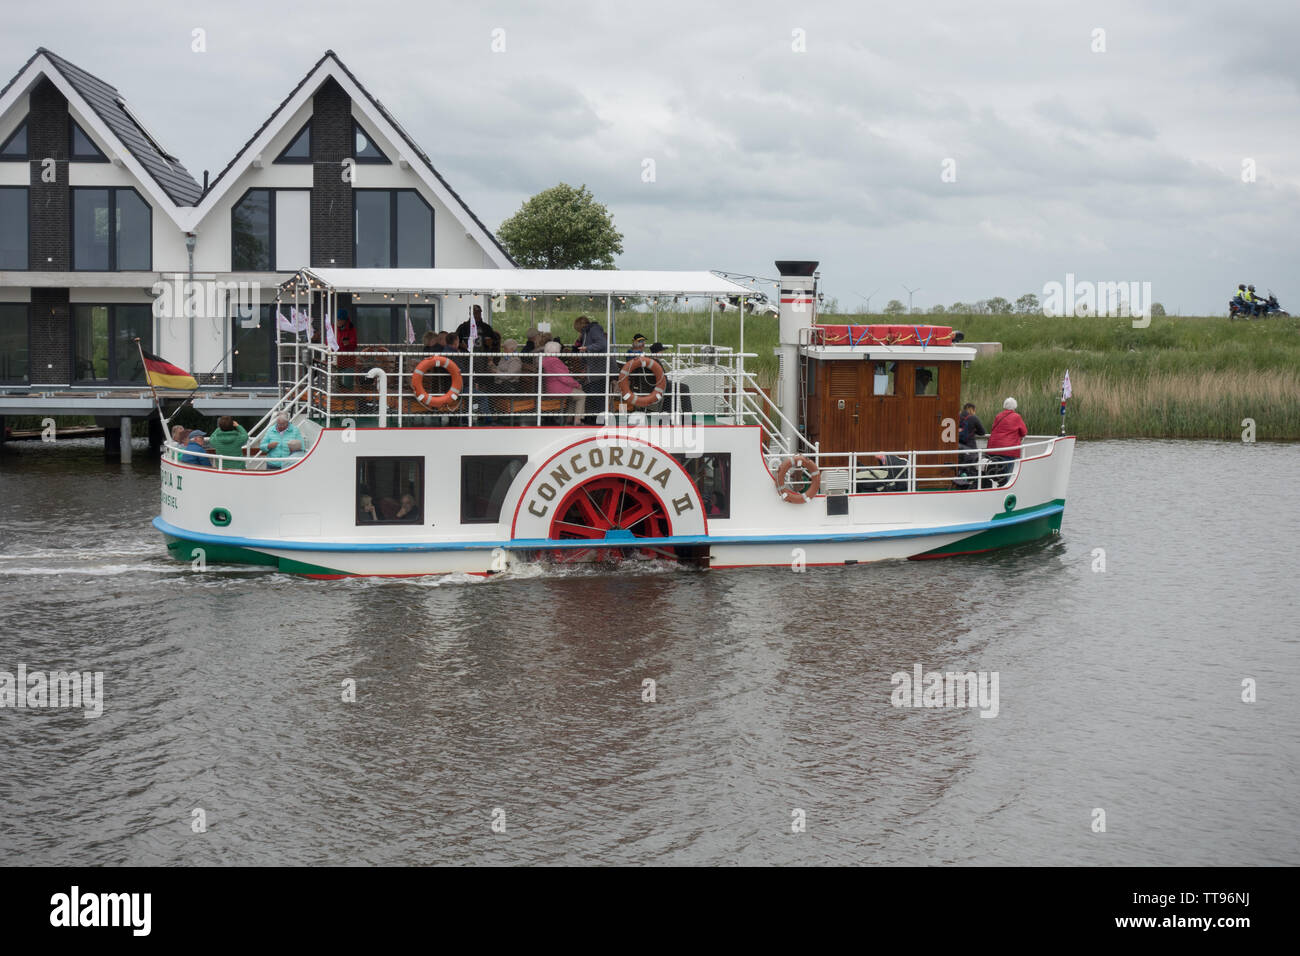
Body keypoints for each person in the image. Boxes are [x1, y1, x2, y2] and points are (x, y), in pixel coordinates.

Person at [986, 397, 1028, 486]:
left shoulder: (998, 416)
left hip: (994, 448)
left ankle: (996, 487)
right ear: (1014, 407)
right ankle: (1004, 489)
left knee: (996, 471)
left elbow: (993, 429)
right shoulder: (1016, 416)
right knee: (1008, 474)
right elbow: (1024, 432)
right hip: (1008, 449)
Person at [542, 340, 586, 424]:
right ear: (556, 350)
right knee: (582, 395)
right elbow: (564, 378)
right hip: (558, 389)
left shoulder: (545, 360)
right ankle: (577, 420)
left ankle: (569, 419)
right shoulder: (555, 361)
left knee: (574, 397)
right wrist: (577, 384)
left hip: (551, 388)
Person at [575, 315, 609, 418]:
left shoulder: (593, 330)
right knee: (594, 393)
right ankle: (595, 417)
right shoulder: (587, 332)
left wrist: (587, 348)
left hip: (600, 368)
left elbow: (602, 344)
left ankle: (600, 419)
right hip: (594, 368)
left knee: (597, 394)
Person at [955, 403, 986, 488]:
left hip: (958, 448)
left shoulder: (956, 417)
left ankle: (958, 482)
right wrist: (973, 430)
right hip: (970, 448)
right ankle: (968, 485)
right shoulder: (973, 418)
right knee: (971, 468)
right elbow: (982, 432)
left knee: (959, 467)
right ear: (971, 409)